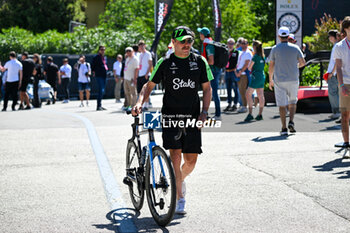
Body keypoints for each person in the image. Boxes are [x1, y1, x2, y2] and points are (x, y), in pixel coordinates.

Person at [132, 26, 213, 215]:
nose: (186, 45)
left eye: (190, 41)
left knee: (191, 161)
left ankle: (179, 180)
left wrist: (205, 112)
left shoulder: (199, 61)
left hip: (193, 116)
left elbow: (207, 88)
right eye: (183, 41)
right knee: (175, 156)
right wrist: (139, 103)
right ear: (174, 42)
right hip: (171, 116)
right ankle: (179, 197)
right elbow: (148, 85)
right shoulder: (165, 62)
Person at [268, 26, 306, 135]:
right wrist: (295, 66)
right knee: (293, 102)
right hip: (293, 78)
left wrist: (270, 79)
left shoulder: (275, 48)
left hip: (279, 79)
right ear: (288, 36)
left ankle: (284, 127)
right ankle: (291, 121)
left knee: (282, 105)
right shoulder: (295, 48)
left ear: (279, 36)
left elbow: (271, 66)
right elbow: (303, 62)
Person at [198, 26, 221, 120]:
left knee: (213, 92)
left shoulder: (208, 45)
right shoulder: (207, 43)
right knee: (210, 92)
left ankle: (218, 114)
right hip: (212, 70)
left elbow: (211, 61)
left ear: (203, 35)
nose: (199, 35)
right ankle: (209, 113)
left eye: (200, 33)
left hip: (213, 71)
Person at [333, 16, 350, 146]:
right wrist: (341, 85)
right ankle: (346, 142)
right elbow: (338, 67)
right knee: (344, 115)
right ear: (345, 29)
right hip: (346, 83)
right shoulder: (339, 46)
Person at [244, 40, 266, 122]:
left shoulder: (255, 56)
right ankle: (260, 114)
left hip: (255, 76)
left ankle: (250, 113)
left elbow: (249, 67)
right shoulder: (263, 56)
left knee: (248, 94)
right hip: (262, 75)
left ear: (254, 47)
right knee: (261, 95)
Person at [324, 30, 341, 120]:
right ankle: (338, 112)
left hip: (334, 74)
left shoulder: (336, 47)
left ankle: (337, 112)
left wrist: (331, 73)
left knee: (332, 93)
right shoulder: (338, 46)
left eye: (330, 36)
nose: (329, 38)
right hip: (336, 73)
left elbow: (336, 61)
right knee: (337, 93)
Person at [235, 38, 253, 113]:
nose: (243, 45)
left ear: (248, 44)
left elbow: (246, 64)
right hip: (240, 73)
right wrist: (236, 71)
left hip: (244, 74)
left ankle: (245, 106)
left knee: (243, 91)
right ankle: (244, 105)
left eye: (245, 43)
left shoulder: (248, 53)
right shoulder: (241, 52)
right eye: (242, 43)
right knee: (241, 90)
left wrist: (240, 71)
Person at [224, 38, 240, 112]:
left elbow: (236, 62)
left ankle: (235, 103)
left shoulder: (236, 52)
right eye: (229, 43)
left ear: (234, 44)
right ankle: (229, 103)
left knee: (235, 88)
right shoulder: (225, 52)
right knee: (228, 88)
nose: (230, 45)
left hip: (233, 72)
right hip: (227, 72)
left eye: (232, 44)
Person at [92, 45, 108, 111]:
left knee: (103, 91)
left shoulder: (104, 57)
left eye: (104, 49)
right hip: (99, 75)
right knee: (100, 90)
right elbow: (93, 65)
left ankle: (100, 105)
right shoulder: (96, 57)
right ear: (99, 50)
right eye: (101, 49)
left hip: (104, 75)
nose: (103, 51)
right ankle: (98, 106)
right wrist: (94, 72)